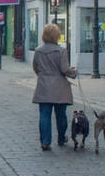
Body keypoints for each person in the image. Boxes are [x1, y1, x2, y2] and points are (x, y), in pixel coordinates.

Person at [32, 21, 77, 151]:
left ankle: (45, 142)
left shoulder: (38, 51)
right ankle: (61, 138)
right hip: (59, 88)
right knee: (61, 115)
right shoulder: (61, 51)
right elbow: (65, 70)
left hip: (44, 87)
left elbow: (36, 67)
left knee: (44, 115)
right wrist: (73, 72)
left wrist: (43, 76)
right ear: (57, 36)